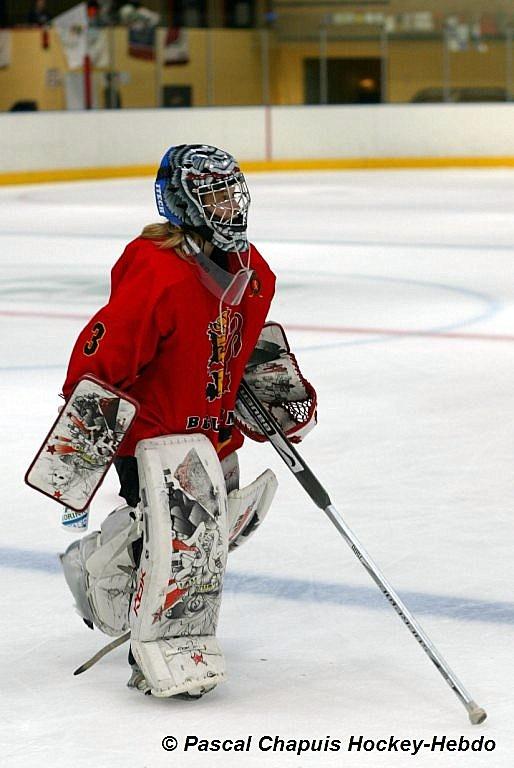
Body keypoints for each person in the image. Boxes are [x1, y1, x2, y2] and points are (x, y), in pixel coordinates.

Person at [59, 144, 316, 699]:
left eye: (232, 193)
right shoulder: (157, 271)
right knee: (179, 543)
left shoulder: (251, 271)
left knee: (206, 540)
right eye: (214, 196)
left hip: (214, 436)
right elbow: (104, 361)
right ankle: (160, 646)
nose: (229, 206)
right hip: (154, 438)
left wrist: (273, 392)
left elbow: (241, 346)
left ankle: (101, 561)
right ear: (183, 203)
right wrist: (81, 452)